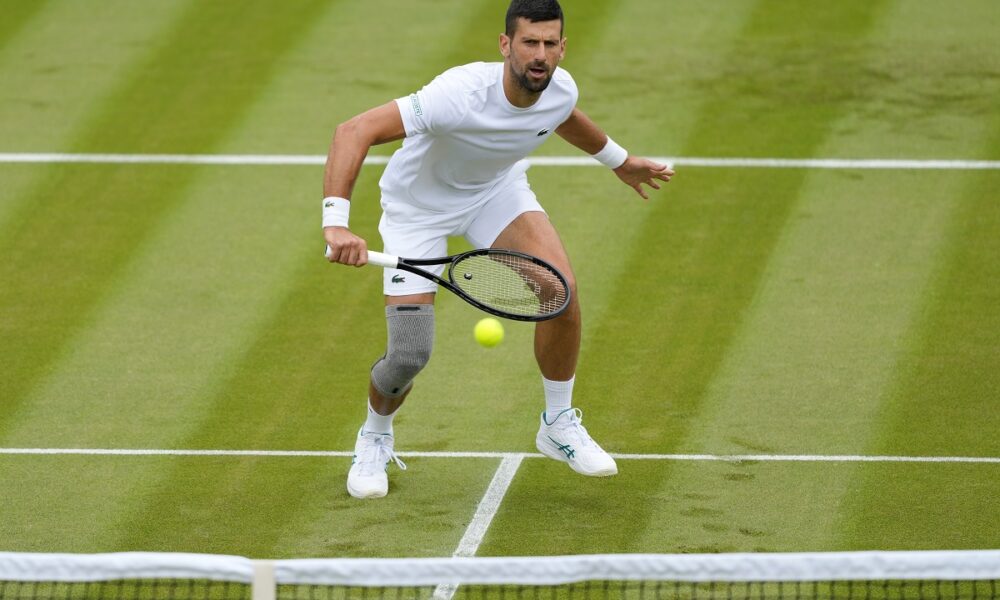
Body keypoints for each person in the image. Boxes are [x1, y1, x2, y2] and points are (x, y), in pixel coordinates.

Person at [323, 0, 673, 499]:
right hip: (416, 211)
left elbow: (565, 115)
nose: (541, 55)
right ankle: (374, 436)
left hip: (494, 194)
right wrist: (336, 224)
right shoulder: (457, 94)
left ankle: (557, 423)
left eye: (551, 44)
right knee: (408, 354)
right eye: (530, 42)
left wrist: (619, 161)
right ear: (506, 45)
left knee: (560, 292)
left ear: (562, 48)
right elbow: (353, 130)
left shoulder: (558, 86)